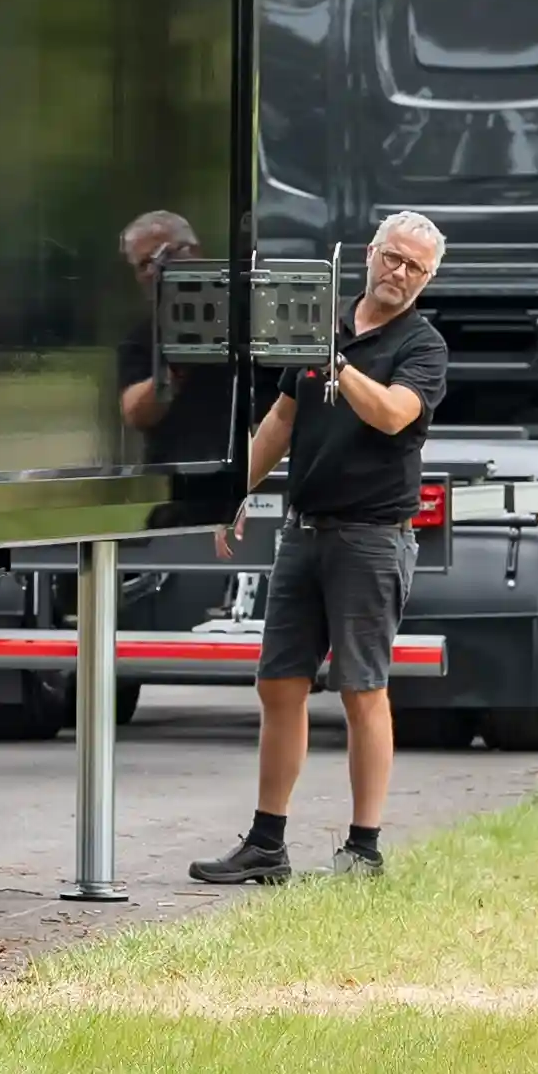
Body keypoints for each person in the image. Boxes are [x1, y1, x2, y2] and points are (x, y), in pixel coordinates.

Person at [191, 208, 449, 886]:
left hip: (372, 538)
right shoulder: (320, 324)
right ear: (369, 253)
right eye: (392, 257)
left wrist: (336, 363)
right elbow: (282, 419)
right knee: (278, 682)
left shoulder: (422, 347)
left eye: (415, 267)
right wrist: (231, 493)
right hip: (303, 531)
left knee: (362, 688)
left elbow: (392, 413)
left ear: (427, 279)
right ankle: (266, 843)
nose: (399, 273)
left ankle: (364, 849)